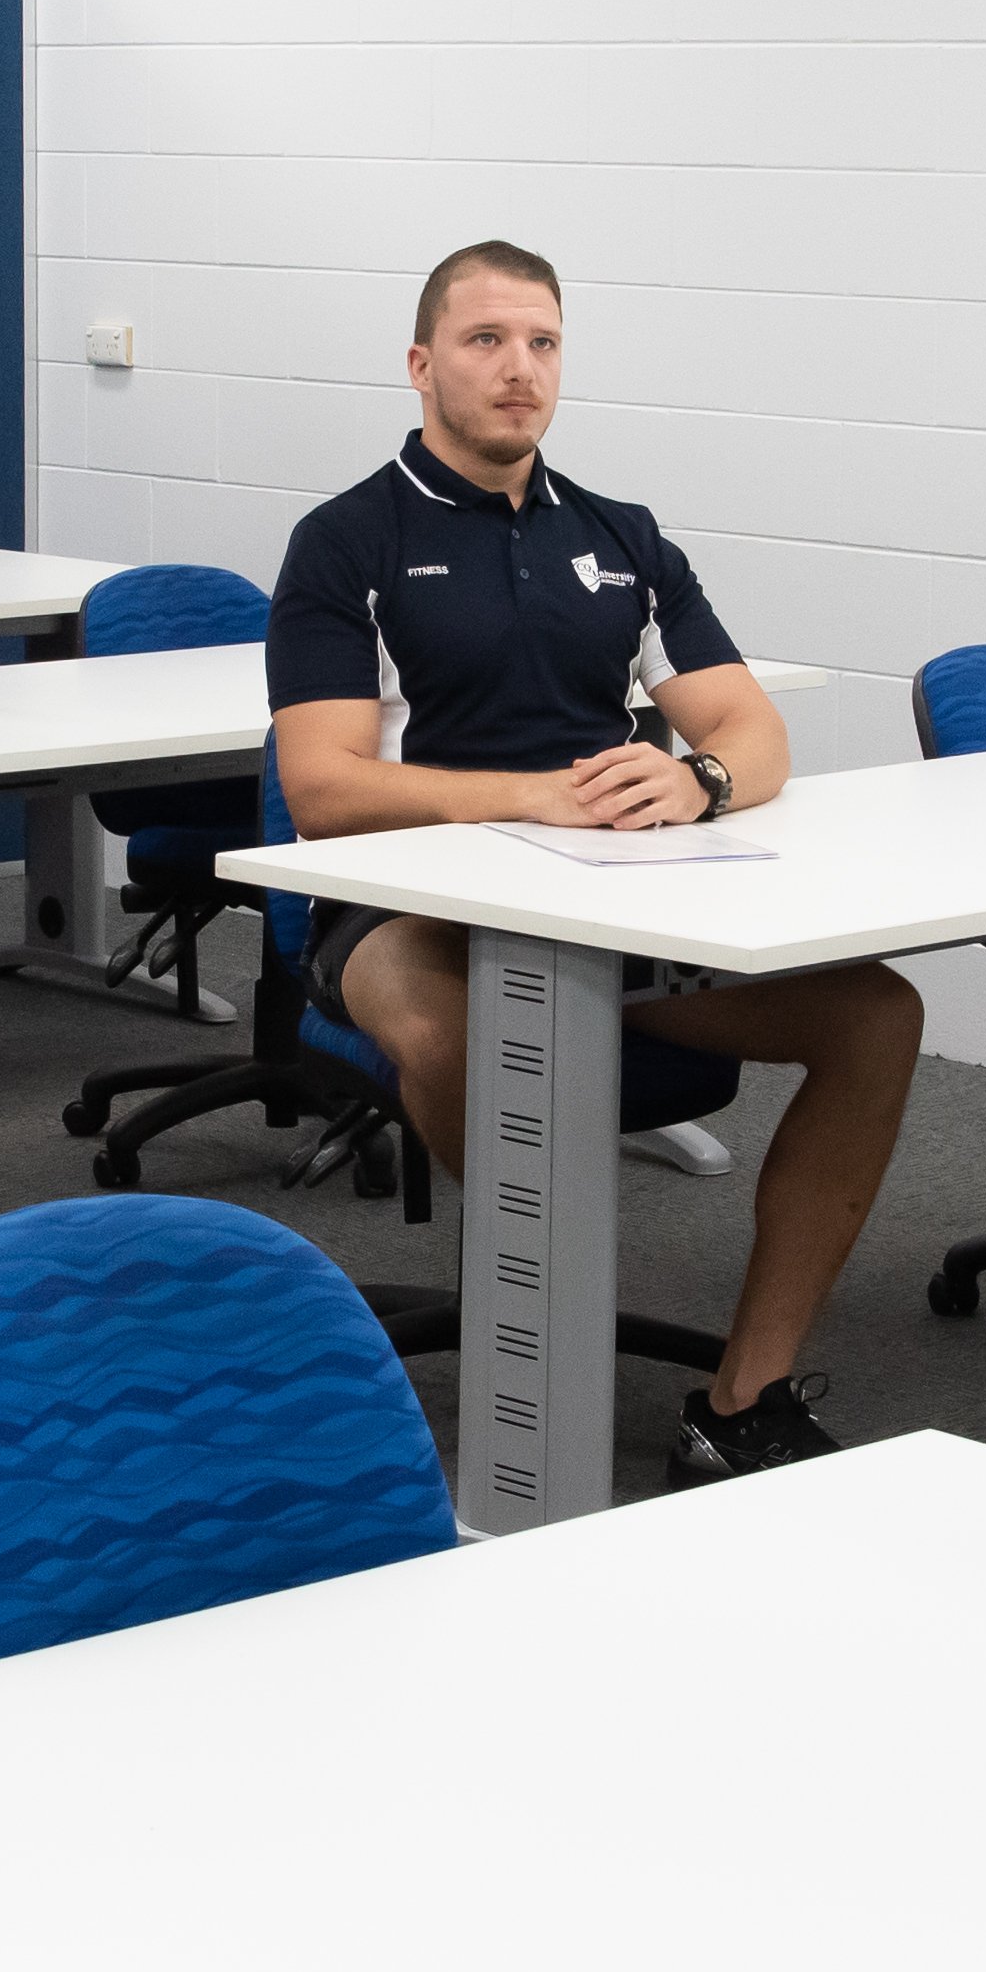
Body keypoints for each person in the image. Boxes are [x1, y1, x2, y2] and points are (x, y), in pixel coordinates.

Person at [264, 240, 918, 1482]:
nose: (519, 370)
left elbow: (750, 727)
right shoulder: (346, 539)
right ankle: (539, 1329)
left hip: (614, 895)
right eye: (486, 341)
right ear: (420, 363)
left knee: (875, 1014)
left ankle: (746, 1393)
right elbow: (324, 785)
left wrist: (697, 777)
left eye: (543, 343)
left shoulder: (620, 533)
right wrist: (531, 797)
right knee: (466, 1034)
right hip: (401, 906)